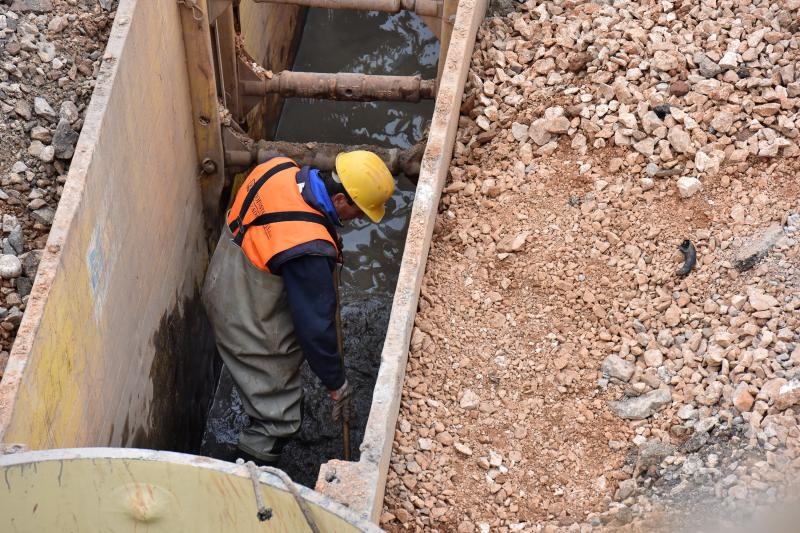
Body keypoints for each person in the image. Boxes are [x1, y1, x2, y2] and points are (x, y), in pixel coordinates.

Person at [201, 150, 395, 465]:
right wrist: (336, 382)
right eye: (359, 213)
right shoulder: (310, 248)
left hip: (224, 272)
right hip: (240, 310)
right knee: (280, 419)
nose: (358, 220)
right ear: (342, 200)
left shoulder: (278, 168)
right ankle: (246, 482)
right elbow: (316, 328)